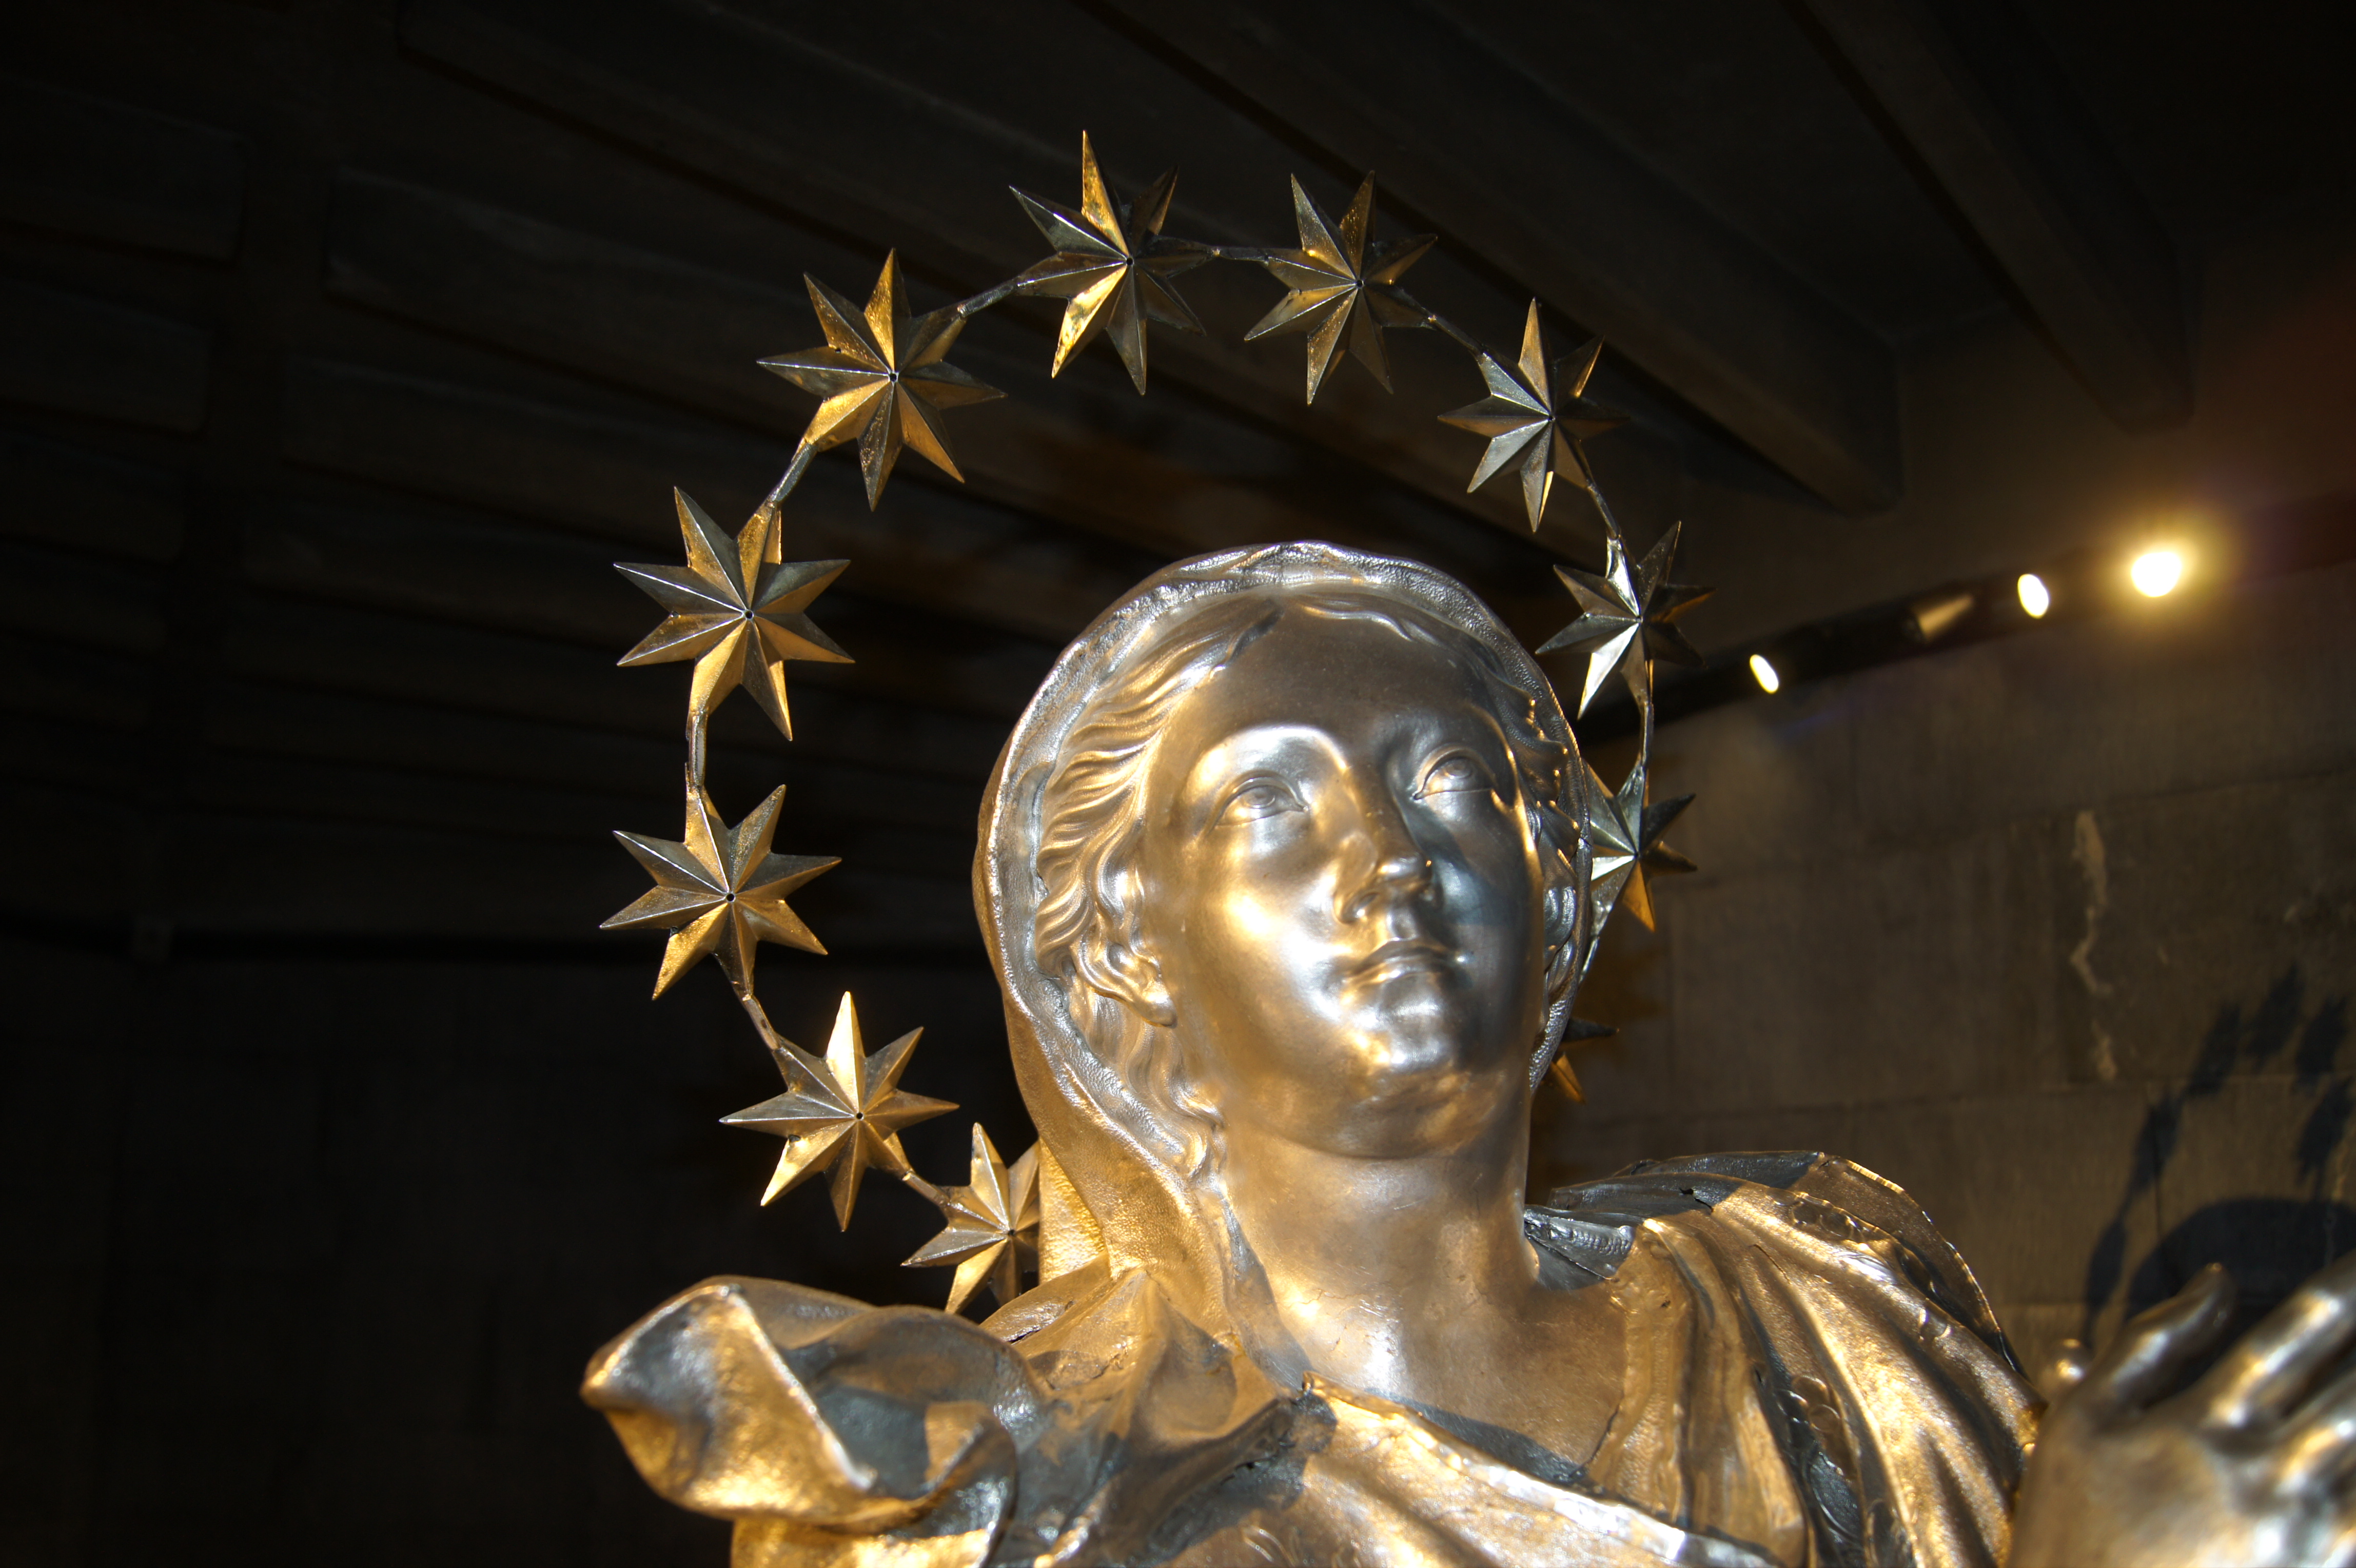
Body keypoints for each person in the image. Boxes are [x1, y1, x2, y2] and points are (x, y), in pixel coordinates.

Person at [584, 543, 2356, 1567]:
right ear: (1124, 943)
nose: (1391, 859)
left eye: (1453, 785)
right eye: (1270, 804)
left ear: (1556, 890)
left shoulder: (1836, 1288)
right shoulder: (1009, 1495)